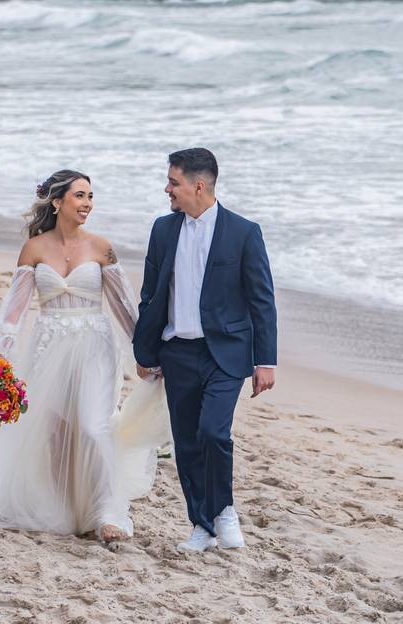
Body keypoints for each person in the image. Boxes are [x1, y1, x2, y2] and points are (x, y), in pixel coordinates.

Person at [0, 170, 169, 543]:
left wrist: (145, 352)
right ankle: (65, 507)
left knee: (93, 426)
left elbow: (124, 307)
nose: (87, 204)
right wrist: (2, 347)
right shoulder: (34, 248)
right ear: (57, 201)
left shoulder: (101, 247)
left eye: (90, 196)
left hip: (94, 347)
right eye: (80, 196)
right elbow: (14, 307)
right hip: (49, 346)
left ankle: (105, 512)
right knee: (56, 430)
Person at [133, 148, 277, 552]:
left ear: (198, 185)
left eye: (173, 182)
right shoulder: (163, 230)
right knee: (187, 443)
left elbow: (261, 299)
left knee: (214, 433)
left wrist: (265, 361)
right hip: (176, 351)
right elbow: (151, 296)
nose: (167, 189)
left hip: (226, 352)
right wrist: (146, 353)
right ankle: (202, 523)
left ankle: (225, 510)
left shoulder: (243, 232)